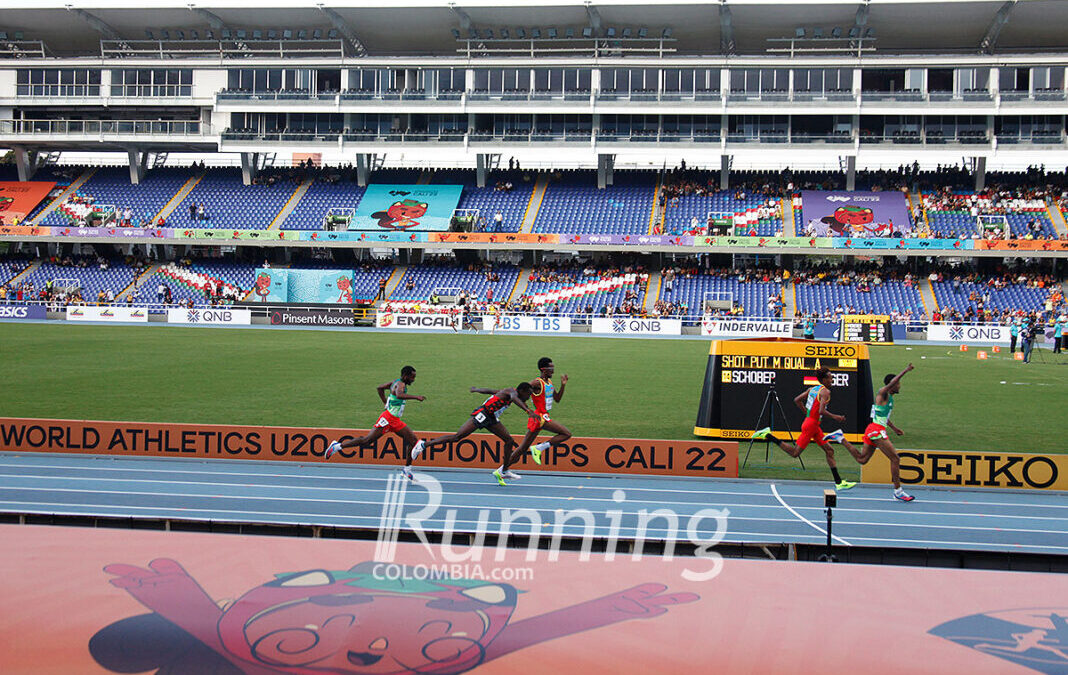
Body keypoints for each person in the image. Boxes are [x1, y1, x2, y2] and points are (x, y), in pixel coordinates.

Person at [752, 367, 862, 491]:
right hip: (811, 426)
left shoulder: (813, 389)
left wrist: (808, 414)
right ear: (824, 380)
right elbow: (821, 411)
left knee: (829, 450)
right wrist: (836, 417)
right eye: (830, 378)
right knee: (795, 453)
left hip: (813, 424)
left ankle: (839, 482)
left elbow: (797, 400)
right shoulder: (825, 392)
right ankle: (768, 435)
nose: (832, 380)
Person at [419, 383, 538, 483]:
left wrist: (477, 389)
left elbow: (490, 391)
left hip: (491, 418)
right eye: (528, 394)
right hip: (483, 414)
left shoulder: (507, 392)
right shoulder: (512, 392)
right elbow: (515, 398)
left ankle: (504, 471)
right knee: (457, 437)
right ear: (521, 391)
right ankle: (424, 445)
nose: (528, 397)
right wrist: (528, 411)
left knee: (509, 441)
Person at [324, 366, 426, 480]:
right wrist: (416, 397)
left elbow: (380, 388)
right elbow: (399, 395)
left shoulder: (395, 382)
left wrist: (385, 402)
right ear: (405, 376)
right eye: (412, 377)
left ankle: (407, 470)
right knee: (367, 440)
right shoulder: (400, 384)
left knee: (413, 441)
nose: (413, 380)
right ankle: (337, 446)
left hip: (395, 420)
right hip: (388, 419)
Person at [498, 357, 571, 485]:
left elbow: (557, 399)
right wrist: (524, 406)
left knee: (522, 448)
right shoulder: (536, 383)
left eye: (553, 367)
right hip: (540, 416)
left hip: (540, 417)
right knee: (566, 434)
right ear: (543, 369)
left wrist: (563, 385)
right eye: (551, 368)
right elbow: (519, 392)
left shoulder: (549, 382)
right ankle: (539, 448)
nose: (553, 370)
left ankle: (501, 470)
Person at [852, 364, 916, 502]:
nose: (899, 386)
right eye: (898, 384)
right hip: (876, 430)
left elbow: (882, 417)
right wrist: (905, 371)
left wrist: (894, 428)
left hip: (873, 429)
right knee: (895, 459)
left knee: (862, 460)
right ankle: (898, 491)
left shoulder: (889, 399)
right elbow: (891, 383)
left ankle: (841, 438)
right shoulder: (882, 393)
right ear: (892, 385)